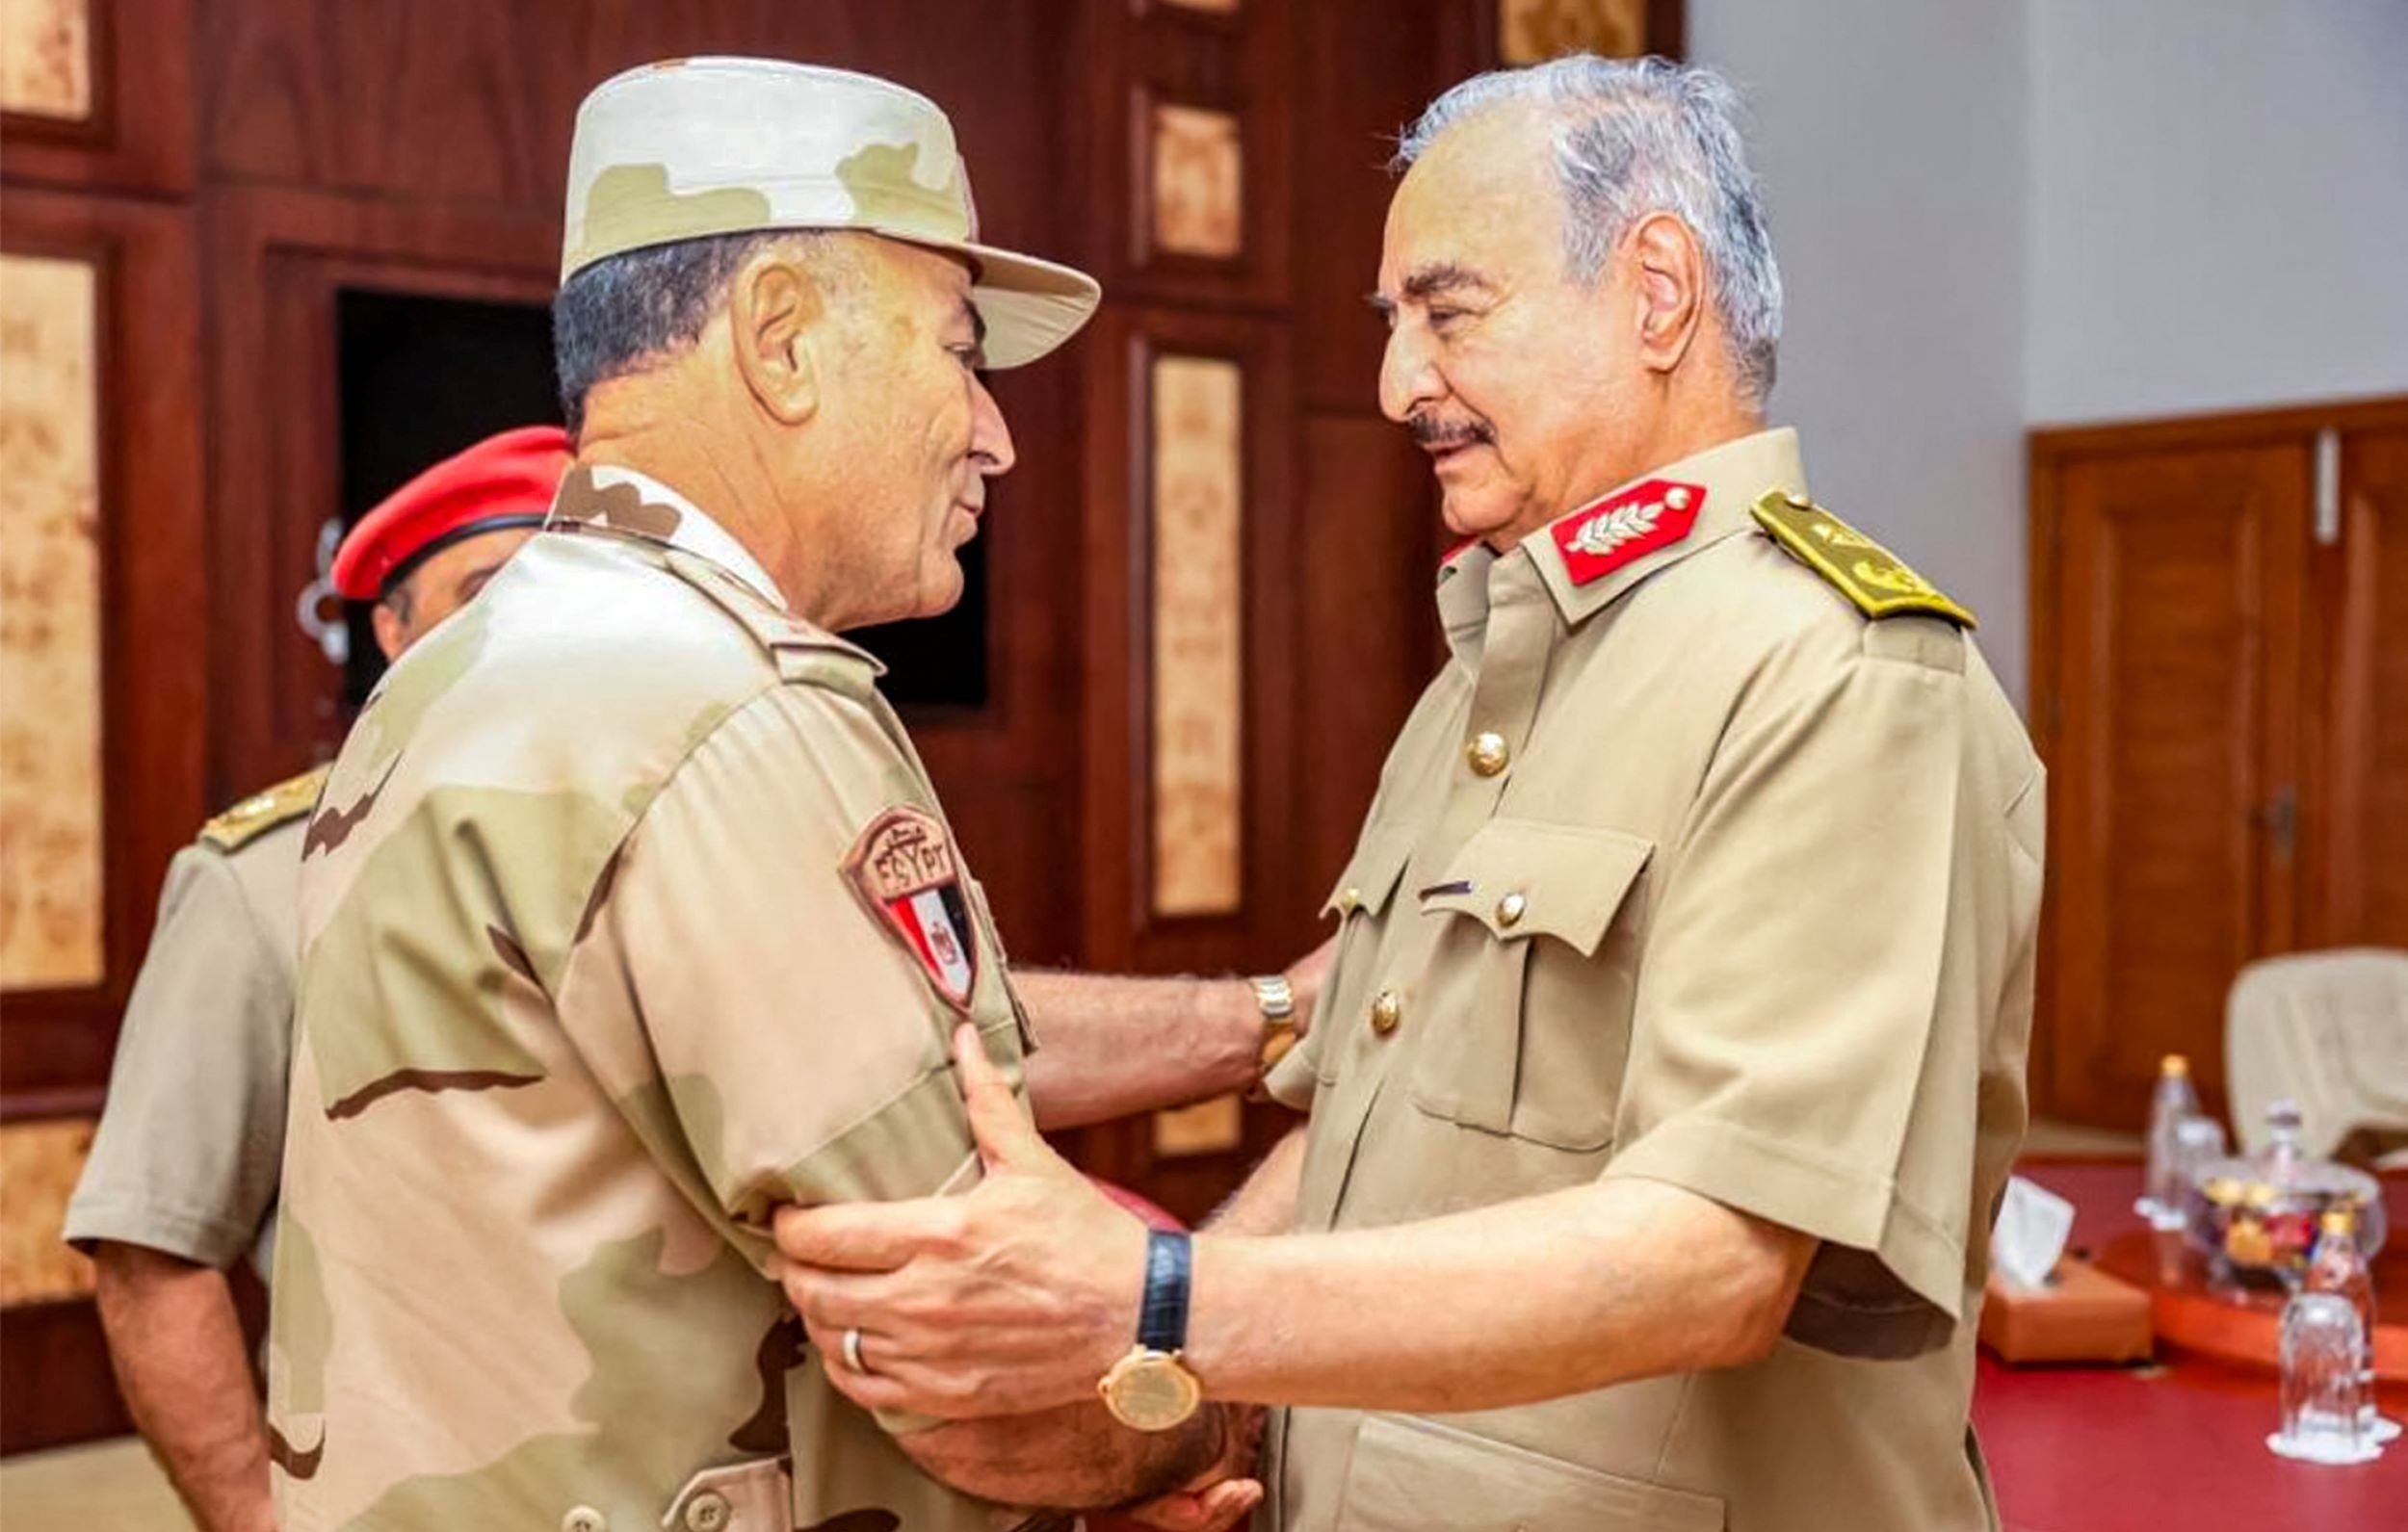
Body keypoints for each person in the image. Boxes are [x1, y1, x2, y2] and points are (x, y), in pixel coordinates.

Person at [775, 54, 2046, 1532]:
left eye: (1449, 313)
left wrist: (1162, 1292)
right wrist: (1164, 1414)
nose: (1397, 385)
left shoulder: (1836, 672)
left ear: (1655, 292)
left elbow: (1718, 1254)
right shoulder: (1491, 663)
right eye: (1393, 327)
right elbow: (1354, 1145)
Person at [267, 58, 1309, 1532]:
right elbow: (971, 1355)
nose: (996, 431)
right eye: (960, 352)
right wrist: (1225, 1395)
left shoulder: (468, 663)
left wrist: (1269, 1016)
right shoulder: (729, 706)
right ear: (781, 339)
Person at [62, 425, 568, 1532]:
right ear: (391, 632)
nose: (532, 630)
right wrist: (255, 1518)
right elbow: (154, 1253)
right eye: (485, 591)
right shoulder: (267, 881)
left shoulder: (689, 833)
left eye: (569, 586)